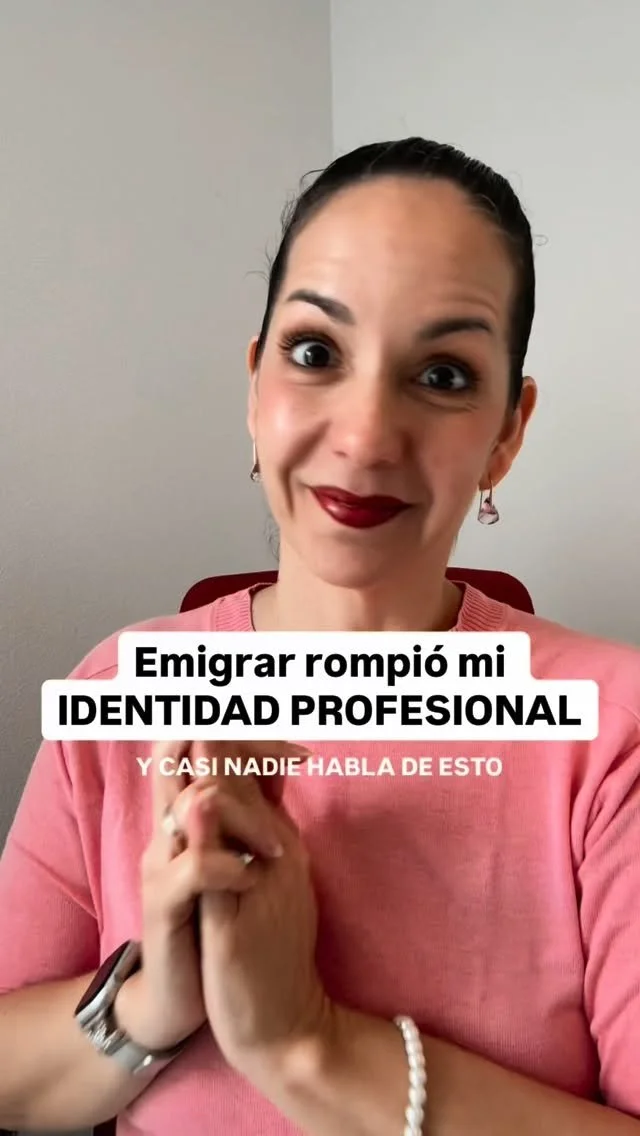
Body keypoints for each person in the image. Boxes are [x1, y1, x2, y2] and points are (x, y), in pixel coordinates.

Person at [0, 137, 639, 1136]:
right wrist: (154, 998)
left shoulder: (613, 731)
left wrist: (305, 1041)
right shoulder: (115, 688)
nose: (366, 434)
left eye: (442, 372)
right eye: (314, 353)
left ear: (507, 432)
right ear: (255, 385)